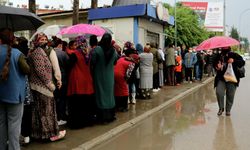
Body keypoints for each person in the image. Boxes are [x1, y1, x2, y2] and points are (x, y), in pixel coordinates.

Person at [28, 33, 66, 141]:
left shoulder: (36, 51)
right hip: (43, 87)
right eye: (40, 39)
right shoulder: (38, 52)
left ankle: (41, 134)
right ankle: (49, 135)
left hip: (39, 86)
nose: (43, 41)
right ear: (36, 41)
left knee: (41, 111)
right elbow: (41, 71)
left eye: (44, 39)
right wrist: (50, 85)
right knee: (46, 112)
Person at [0, 28, 30, 150]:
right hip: (15, 95)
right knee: (14, 125)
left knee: (1, 124)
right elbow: (27, 70)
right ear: (12, 39)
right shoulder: (17, 54)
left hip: (0, 95)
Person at [66, 36, 95, 128]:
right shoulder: (88, 54)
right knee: (86, 103)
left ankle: (77, 124)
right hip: (87, 80)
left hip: (77, 80)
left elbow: (68, 66)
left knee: (76, 104)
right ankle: (87, 121)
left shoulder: (75, 54)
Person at [91, 33, 118, 124]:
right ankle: (110, 116)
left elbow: (93, 62)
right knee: (110, 95)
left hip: (99, 75)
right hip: (110, 76)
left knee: (100, 95)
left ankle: (102, 118)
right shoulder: (113, 50)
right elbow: (115, 62)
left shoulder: (97, 49)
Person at [213, 47, 245, 116]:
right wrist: (217, 66)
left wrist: (234, 61)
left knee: (230, 95)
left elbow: (242, 62)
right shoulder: (219, 56)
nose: (224, 48)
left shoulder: (234, 55)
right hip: (221, 78)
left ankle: (228, 110)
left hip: (232, 79)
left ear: (229, 47)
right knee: (219, 92)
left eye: (226, 47)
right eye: (223, 47)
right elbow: (214, 63)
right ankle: (221, 108)